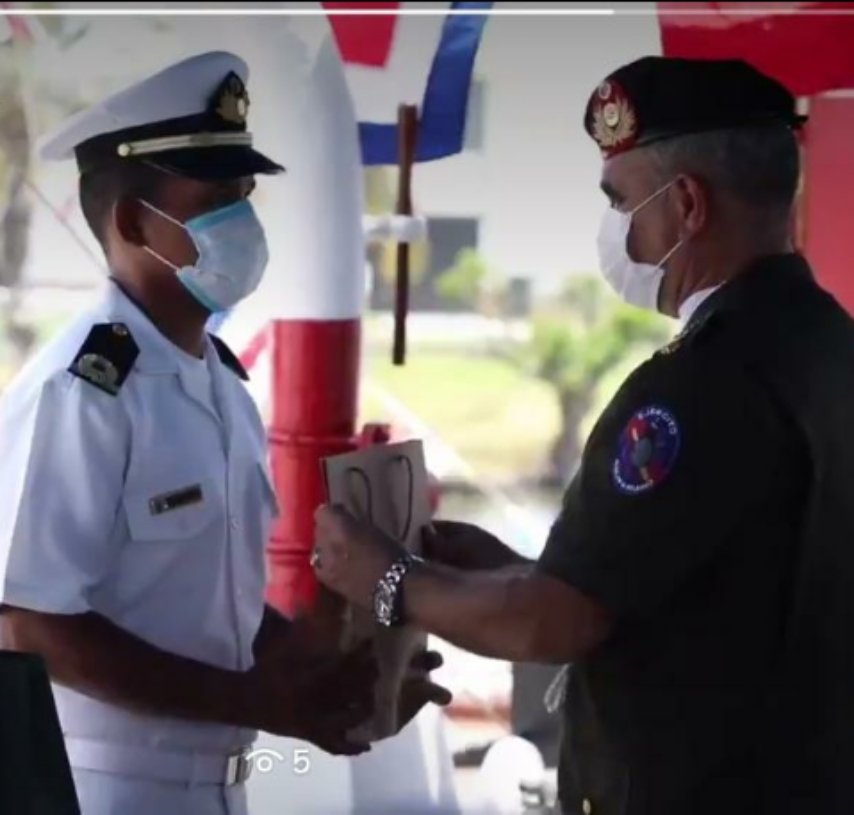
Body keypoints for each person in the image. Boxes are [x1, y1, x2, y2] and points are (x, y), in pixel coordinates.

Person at [311, 56, 854, 815]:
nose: (614, 227)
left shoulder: (700, 384)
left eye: (620, 199)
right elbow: (686, 586)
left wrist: (390, 579)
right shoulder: (825, 343)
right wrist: (511, 571)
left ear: (688, 204)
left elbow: (551, 622)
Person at [0, 51, 446, 815]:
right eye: (216, 199)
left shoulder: (218, 381)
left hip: (218, 783)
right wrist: (257, 698)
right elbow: (27, 623)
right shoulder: (85, 389)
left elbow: (208, 609)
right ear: (136, 222)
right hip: (101, 789)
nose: (242, 219)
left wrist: (326, 677)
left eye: (244, 195)